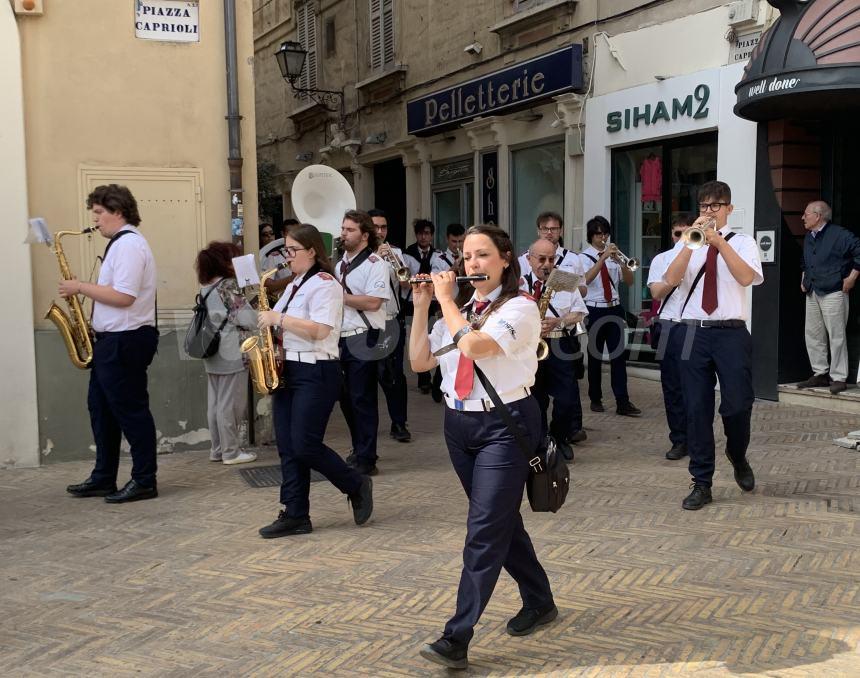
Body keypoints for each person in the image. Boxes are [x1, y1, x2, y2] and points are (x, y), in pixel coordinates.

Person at [410, 224, 557, 671]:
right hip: (458, 424)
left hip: (504, 425)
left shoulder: (520, 308)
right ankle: (540, 600)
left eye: (482, 256)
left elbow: (474, 346)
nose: (472, 264)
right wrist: (422, 308)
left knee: (483, 530)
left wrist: (446, 301)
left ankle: (456, 637)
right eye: (467, 257)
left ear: (505, 259)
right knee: (499, 522)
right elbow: (419, 361)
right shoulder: (459, 310)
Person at [256, 224, 373, 537]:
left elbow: (320, 329)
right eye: (287, 250)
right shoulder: (295, 284)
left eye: (293, 250)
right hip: (290, 369)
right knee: (288, 446)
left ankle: (355, 482)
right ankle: (295, 513)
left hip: (317, 370)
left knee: (305, 444)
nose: (287, 256)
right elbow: (282, 327)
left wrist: (278, 319)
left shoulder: (325, 284)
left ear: (311, 250)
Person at [662, 181, 763, 510]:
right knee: (696, 409)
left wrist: (718, 241)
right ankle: (701, 482)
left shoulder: (744, 243)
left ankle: (737, 453)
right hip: (693, 331)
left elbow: (746, 278)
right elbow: (670, 281)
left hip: (731, 333)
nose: (708, 212)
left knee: (737, 405)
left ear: (728, 209)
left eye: (715, 206)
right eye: (704, 206)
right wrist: (690, 245)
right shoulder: (688, 243)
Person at [63, 184, 160, 503]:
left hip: (126, 340)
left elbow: (124, 296)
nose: (95, 220)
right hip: (111, 340)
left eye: (100, 213)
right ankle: (104, 477)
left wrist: (80, 287)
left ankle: (144, 479)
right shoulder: (120, 245)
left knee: (131, 411)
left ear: (118, 212)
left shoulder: (129, 246)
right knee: (101, 409)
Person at [521, 238, 588, 460]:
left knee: (567, 398)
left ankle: (559, 438)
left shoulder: (564, 280)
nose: (546, 264)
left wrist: (558, 321)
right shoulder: (519, 284)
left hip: (560, 343)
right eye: (541, 259)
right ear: (530, 260)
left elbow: (579, 313)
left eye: (551, 258)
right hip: (532, 346)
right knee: (535, 397)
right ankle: (541, 440)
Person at [335, 210, 390, 476]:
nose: (343, 234)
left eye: (350, 230)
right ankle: (358, 448)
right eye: (343, 229)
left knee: (362, 398)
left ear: (364, 235)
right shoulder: (340, 264)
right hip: (342, 336)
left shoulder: (374, 263)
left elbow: (373, 301)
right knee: (346, 397)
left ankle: (367, 457)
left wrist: (339, 296)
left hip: (365, 335)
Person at [195, 242, 258, 465]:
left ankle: (218, 449)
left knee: (215, 403)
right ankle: (231, 452)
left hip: (211, 350)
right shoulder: (228, 286)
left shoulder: (206, 287)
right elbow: (248, 319)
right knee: (231, 404)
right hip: (231, 350)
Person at [579, 216, 641, 417]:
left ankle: (623, 401)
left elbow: (630, 281)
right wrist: (603, 258)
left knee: (618, 356)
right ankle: (595, 398)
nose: (603, 237)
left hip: (613, 308)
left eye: (605, 233)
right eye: (598, 234)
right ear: (591, 236)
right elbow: (585, 281)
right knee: (595, 356)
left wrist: (622, 263)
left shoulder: (614, 257)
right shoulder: (582, 258)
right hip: (594, 310)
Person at [798, 200, 860, 394]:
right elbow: (805, 262)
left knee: (836, 335)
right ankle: (820, 373)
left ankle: (839, 376)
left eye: (806, 214)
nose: (802, 218)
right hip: (813, 290)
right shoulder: (809, 237)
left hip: (834, 291)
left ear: (818, 216)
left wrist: (851, 278)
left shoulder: (840, 235)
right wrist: (804, 279)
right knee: (813, 334)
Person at [647, 215, 694, 460]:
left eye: (687, 234)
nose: (681, 239)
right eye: (677, 234)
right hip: (668, 325)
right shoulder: (661, 259)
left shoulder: (705, 257)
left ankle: (697, 437)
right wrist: (676, 269)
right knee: (672, 387)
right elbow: (655, 292)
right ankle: (679, 439)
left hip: (695, 326)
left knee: (696, 386)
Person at [370, 208, 411, 443]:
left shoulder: (394, 252)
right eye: (375, 227)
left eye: (383, 227)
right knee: (369, 375)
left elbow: (406, 284)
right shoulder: (360, 256)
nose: (380, 231)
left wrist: (392, 260)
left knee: (395, 374)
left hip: (391, 320)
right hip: (367, 323)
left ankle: (399, 422)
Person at [404, 218, 448, 394]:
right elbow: (403, 280)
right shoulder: (407, 254)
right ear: (416, 235)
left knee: (433, 335)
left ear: (432, 235)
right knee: (416, 336)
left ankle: (434, 374)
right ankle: (423, 379)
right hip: (411, 301)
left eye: (427, 233)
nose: (424, 237)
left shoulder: (438, 255)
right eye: (421, 233)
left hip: (433, 302)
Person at [517, 212, 587, 297]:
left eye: (554, 229)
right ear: (538, 231)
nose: (549, 232)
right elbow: (515, 290)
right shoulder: (524, 259)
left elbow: (584, 291)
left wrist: (564, 283)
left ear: (560, 231)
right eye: (545, 229)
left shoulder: (574, 258)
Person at [260, 218, 298, 301]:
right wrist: (293, 278)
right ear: (283, 234)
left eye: (297, 232)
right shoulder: (274, 256)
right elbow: (269, 286)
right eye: (290, 233)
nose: (295, 236)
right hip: (283, 302)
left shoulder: (303, 255)